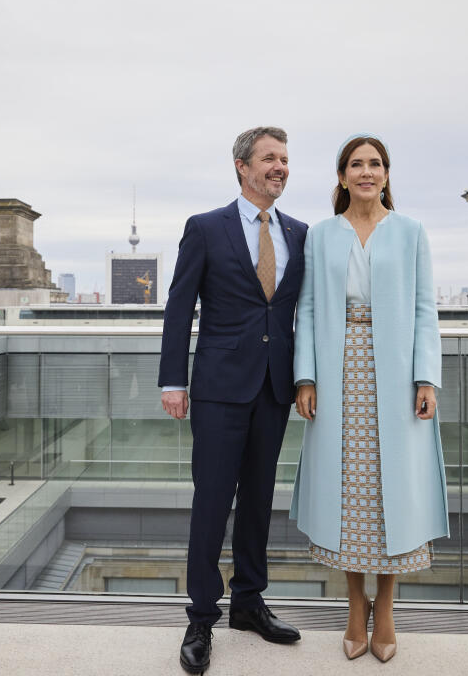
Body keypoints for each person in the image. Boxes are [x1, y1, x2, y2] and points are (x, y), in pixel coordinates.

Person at [292, 134, 445, 663]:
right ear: (341, 176)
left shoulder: (410, 232)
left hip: (397, 372)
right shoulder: (320, 236)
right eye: (356, 164)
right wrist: (305, 377)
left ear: (386, 174)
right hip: (338, 373)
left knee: (391, 492)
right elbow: (307, 310)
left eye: (375, 164)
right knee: (349, 491)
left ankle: (387, 606)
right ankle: (354, 608)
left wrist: (426, 378)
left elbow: (426, 309)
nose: (366, 172)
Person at [159, 126, 306, 674]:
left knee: (260, 500)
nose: (280, 167)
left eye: (285, 160)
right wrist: (174, 381)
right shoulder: (205, 229)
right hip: (219, 390)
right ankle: (201, 616)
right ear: (241, 167)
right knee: (213, 501)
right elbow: (179, 309)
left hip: (274, 388)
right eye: (270, 158)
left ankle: (248, 602)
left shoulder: (300, 232)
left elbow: (301, 315)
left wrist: (307, 379)